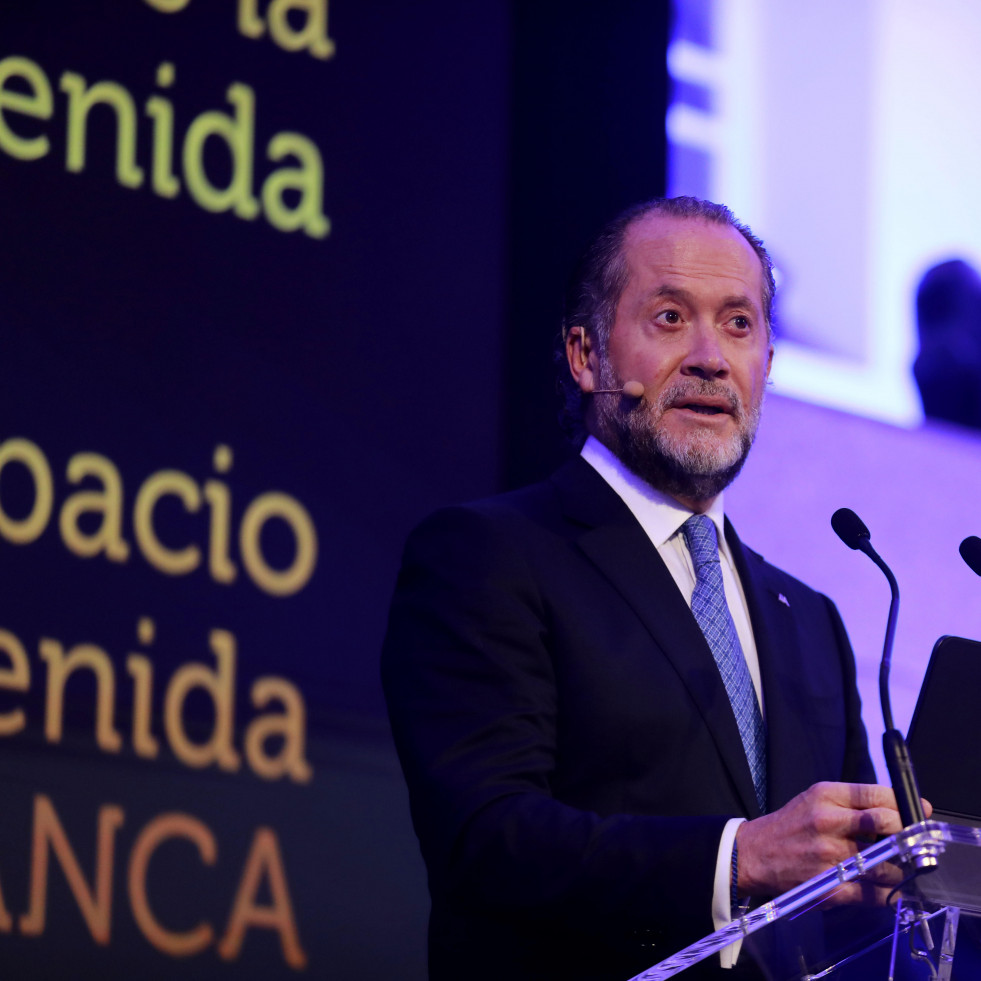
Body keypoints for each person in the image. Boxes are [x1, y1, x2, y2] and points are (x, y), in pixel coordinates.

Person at [381, 197, 913, 981]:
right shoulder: (488, 555)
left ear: (766, 362)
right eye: (669, 317)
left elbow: (833, 906)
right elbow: (486, 840)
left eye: (739, 324)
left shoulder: (810, 620)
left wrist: (888, 866)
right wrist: (737, 857)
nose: (709, 357)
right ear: (585, 355)